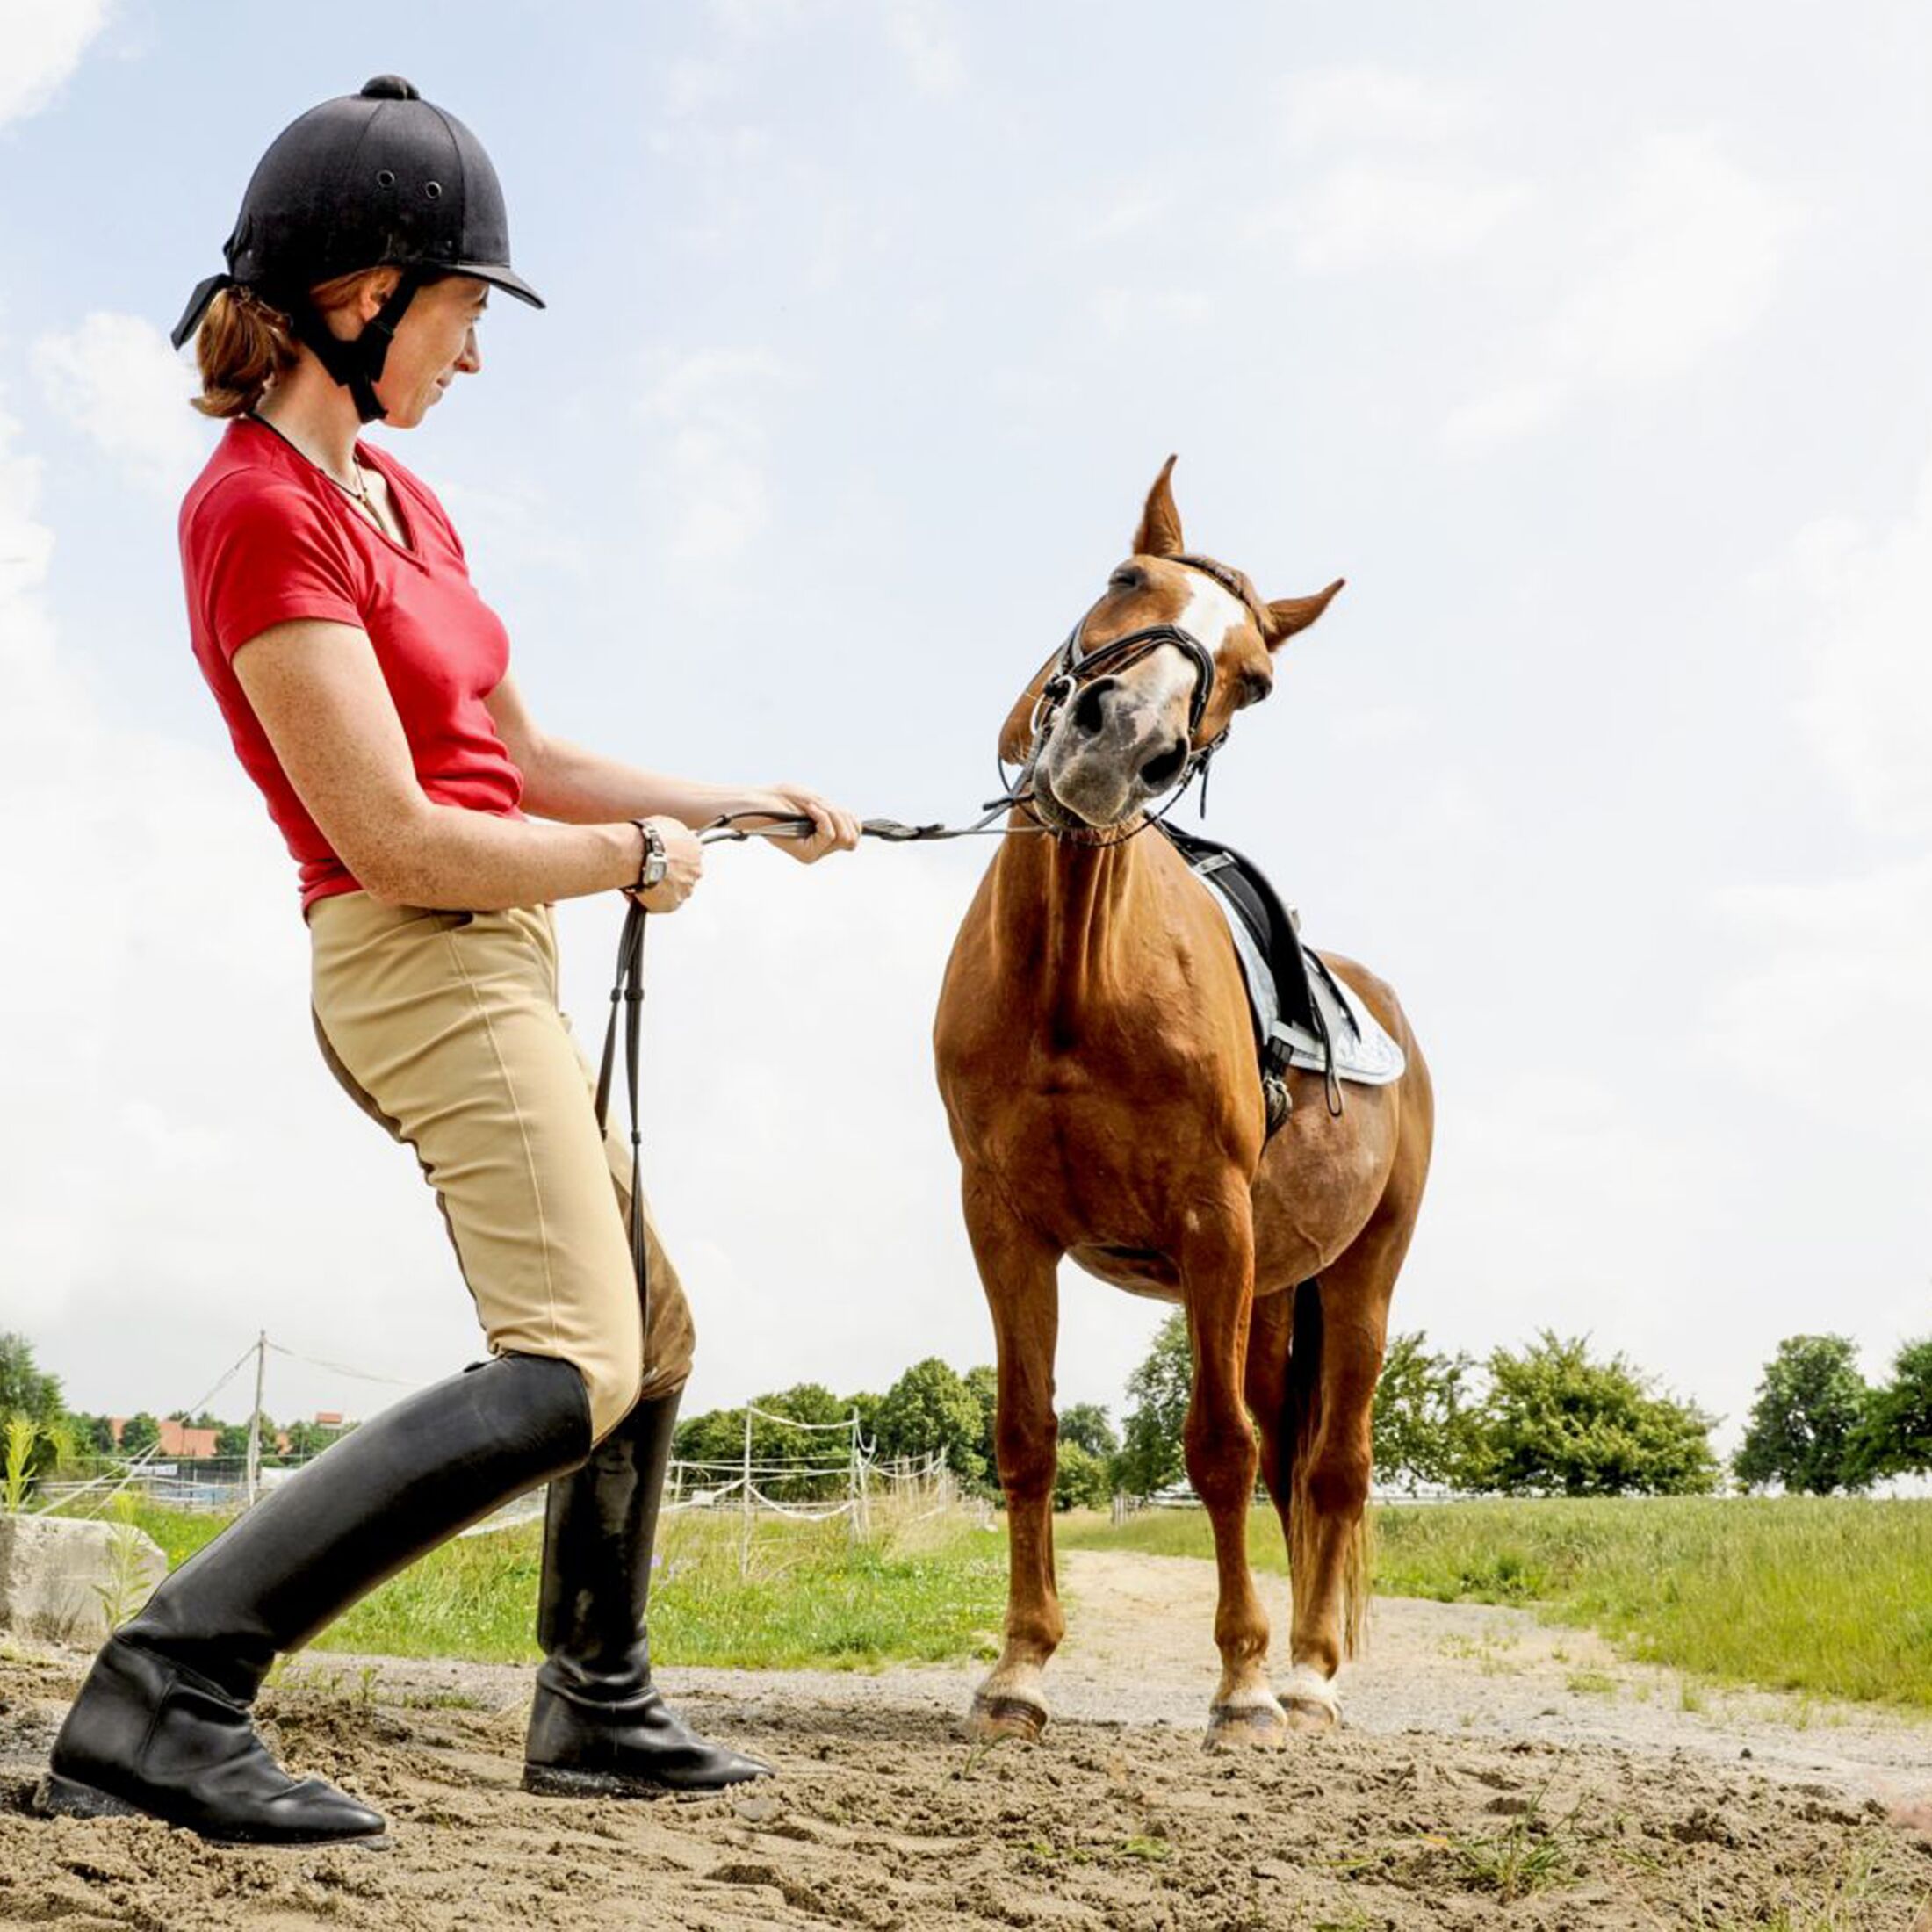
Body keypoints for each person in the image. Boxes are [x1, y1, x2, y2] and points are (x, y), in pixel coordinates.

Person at [33, 76, 861, 1848]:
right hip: (415, 952)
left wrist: (737, 799)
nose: (474, 355)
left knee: (652, 1325)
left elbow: (525, 756)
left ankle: (594, 1699)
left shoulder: (401, 502)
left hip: (505, 944)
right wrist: (626, 861)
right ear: (365, 291)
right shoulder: (257, 509)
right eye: (467, 311)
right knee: (570, 1358)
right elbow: (398, 833)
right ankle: (164, 1689)